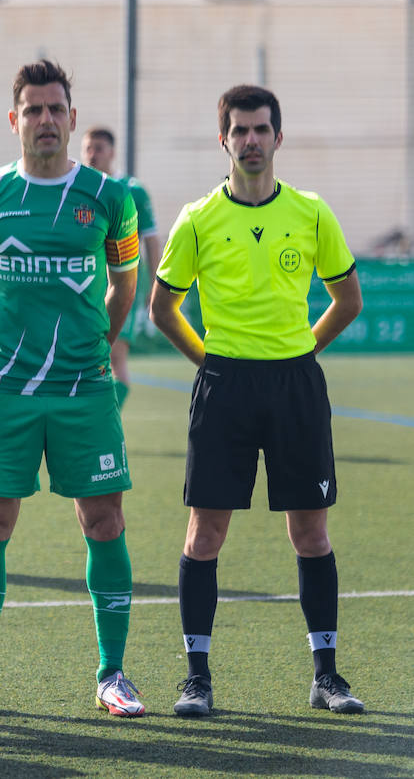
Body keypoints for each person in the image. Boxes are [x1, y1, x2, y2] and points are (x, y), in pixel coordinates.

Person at [150, 84, 365, 717]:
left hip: (295, 385)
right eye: (239, 130)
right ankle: (197, 678)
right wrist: (209, 361)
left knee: (311, 531)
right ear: (223, 139)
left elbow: (347, 299)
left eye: (260, 129)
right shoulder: (197, 219)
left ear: (278, 136)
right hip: (225, 387)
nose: (250, 140)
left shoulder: (312, 212)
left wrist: (302, 351)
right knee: (205, 533)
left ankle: (326, 676)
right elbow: (163, 309)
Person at [0, 60, 144, 720]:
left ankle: (113, 674)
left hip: (86, 388)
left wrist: (99, 343)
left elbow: (125, 284)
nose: (45, 120)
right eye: (32, 110)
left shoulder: (111, 198)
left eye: (56, 108)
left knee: (104, 520)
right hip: (7, 388)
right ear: (15, 120)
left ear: (73, 118)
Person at [80, 127, 162, 405]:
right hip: (85, 286)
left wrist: (155, 286)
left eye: (99, 148)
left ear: (112, 153)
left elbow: (151, 240)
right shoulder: (77, 190)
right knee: (88, 358)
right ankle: (95, 420)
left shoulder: (132, 191)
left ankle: (104, 423)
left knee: (114, 356)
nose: (92, 154)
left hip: (123, 285)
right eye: (88, 148)